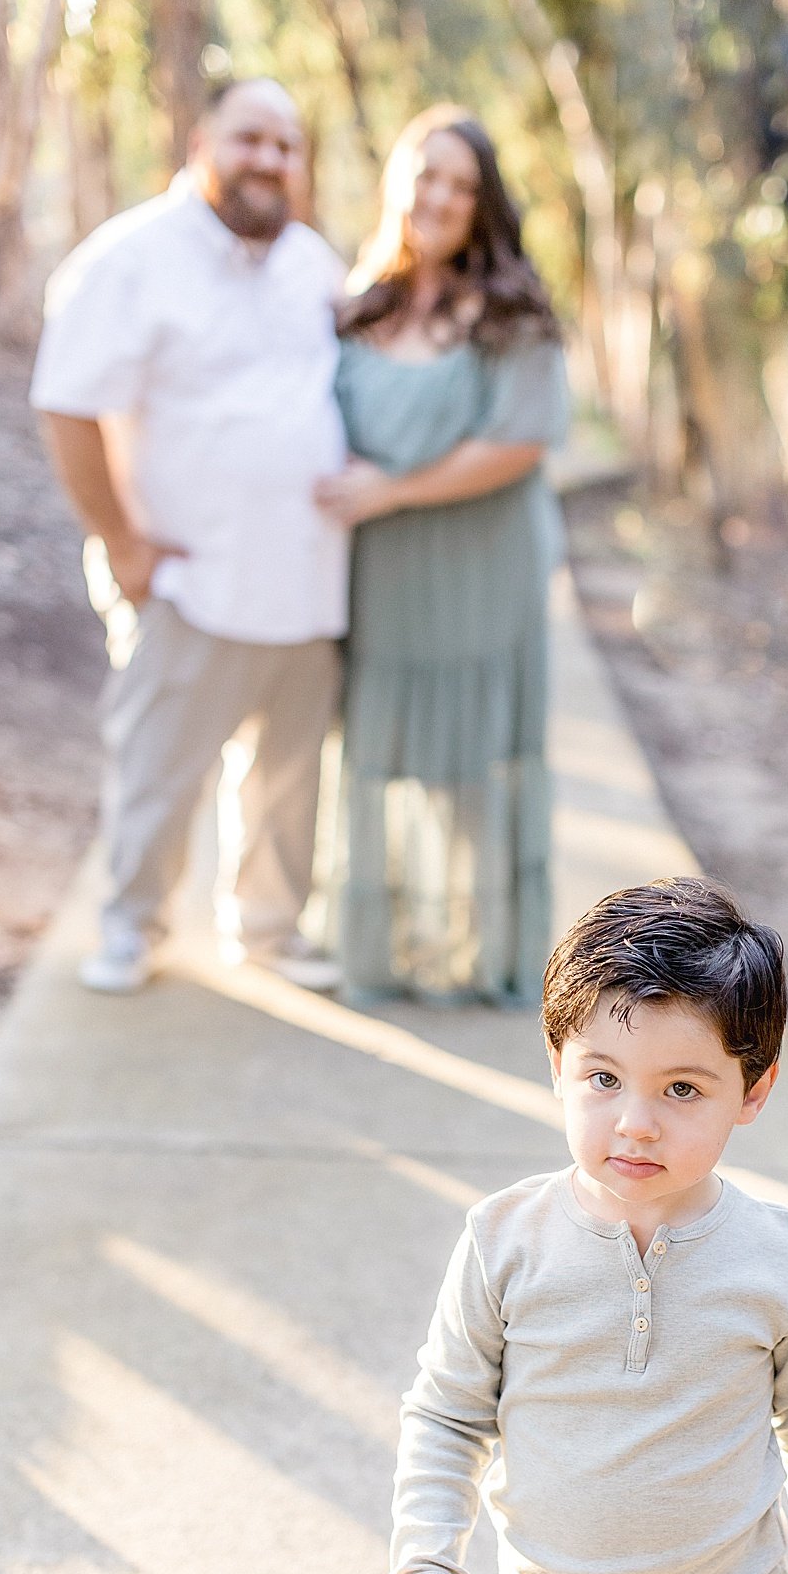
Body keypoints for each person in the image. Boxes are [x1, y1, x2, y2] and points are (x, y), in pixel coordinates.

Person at [377, 877, 788, 1574]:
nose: (635, 1122)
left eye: (683, 1088)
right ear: (558, 1065)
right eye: (602, 1078)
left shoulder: (778, 1263)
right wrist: (425, 1564)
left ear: (754, 1090)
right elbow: (450, 1415)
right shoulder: (505, 1242)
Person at [31, 79, 347, 995]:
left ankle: (268, 929)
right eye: (251, 138)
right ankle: (133, 925)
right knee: (161, 766)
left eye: (287, 146)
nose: (270, 160)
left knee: (287, 781)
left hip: (305, 578)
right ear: (199, 141)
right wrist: (122, 543)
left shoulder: (311, 262)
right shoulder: (130, 257)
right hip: (187, 575)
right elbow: (66, 405)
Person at [315, 105, 569, 1006]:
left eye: (464, 185)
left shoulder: (512, 311)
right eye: (428, 175)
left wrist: (389, 489)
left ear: (484, 203)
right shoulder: (355, 304)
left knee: (469, 772)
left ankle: (481, 951)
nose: (443, 197)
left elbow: (521, 441)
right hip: (381, 582)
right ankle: (380, 951)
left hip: (478, 574)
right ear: (397, 181)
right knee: (378, 757)